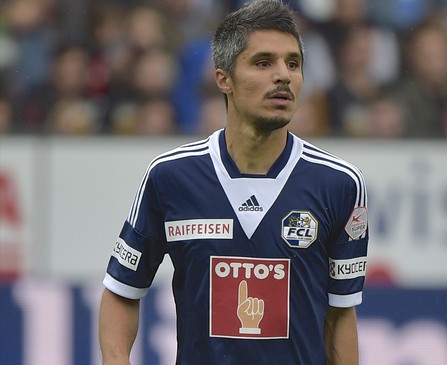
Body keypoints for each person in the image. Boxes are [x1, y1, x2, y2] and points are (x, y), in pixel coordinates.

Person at [98, 1, 369, 364]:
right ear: (223, 78)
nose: (283, 75)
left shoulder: (340, 184)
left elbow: (339, 316)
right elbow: (121, 291)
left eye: (293, 63)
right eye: (263, 62)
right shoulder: (170, 177)